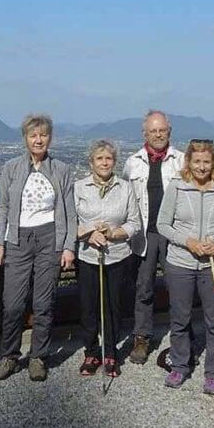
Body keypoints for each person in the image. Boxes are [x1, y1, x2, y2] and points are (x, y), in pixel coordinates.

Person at [0, 114, 77, 382]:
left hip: (50, 236)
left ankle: (39, 356)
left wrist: (68, 246)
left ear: (50, 138)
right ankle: (9, 356)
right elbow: (2, 207)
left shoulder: (61, 169)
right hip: (17, 238)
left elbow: (70, 212)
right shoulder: (11, 168)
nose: (38, 139)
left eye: (43, 135)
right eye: (33, 135)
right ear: (25, 138)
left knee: (43, 302)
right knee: (13, 303)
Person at [157, 139, 214, 395]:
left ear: (213, 163)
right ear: (188, 162)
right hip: (180, 261)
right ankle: (180, 365)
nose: (201, 167)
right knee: (180, 318)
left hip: (213, 263)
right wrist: (188, 241)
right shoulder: (177, 189)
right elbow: (163, 225)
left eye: (206, 161)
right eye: (197, 161)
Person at [74, 140, 142, 377]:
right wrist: (88, 234)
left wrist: (113, 233)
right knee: (89, 307)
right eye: (99, 158)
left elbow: (134, 222)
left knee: (112, 306)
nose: (104, 163)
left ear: (114, 162)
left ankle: (111, 352)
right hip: (88, 256)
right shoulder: (79, 187)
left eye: (109, 158)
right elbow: (69, 222)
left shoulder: (125, 188)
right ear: (91, 162)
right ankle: (91, 352)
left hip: (117, 256)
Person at [122, 110, 185, 365]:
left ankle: (181, 337)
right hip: (144, 234)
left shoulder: (182, 161)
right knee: (143, 287)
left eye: (162, 130)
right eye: (153, 131)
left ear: (169, 131)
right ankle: (142, 337)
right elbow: (124, 198)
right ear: (144, 133)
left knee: (178, 288)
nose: (158, 134)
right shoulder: (133, 163)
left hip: (174, 233)